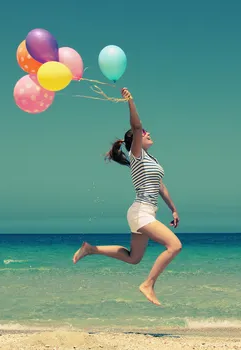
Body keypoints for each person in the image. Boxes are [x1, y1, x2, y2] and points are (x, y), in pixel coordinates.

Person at [72, 87, 182, 306]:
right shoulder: (137, 155)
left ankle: (91, 249)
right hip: (141, 212)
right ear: (137, 141)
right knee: (174, 246)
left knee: (134, 258)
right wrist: (130, 100)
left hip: (142, 212)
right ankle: (148, 284)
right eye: (144, 134)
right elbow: (137, 125)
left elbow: (160, 186)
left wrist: (173, 208)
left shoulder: (152, 160)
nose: (148, 133)